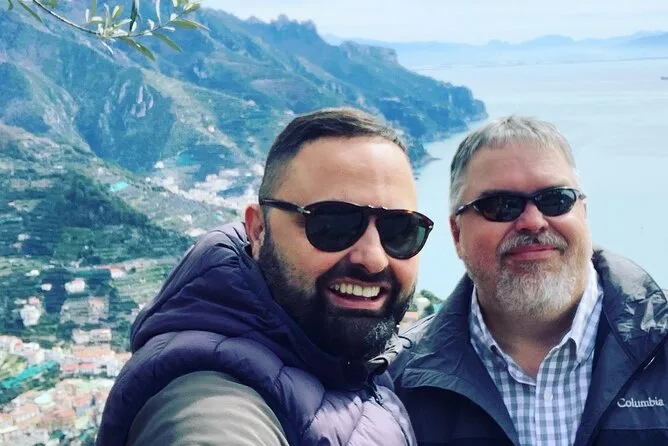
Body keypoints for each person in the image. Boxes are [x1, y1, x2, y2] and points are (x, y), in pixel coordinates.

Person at [96, 107, 434, 445]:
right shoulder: (209, 401)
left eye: (400, 230)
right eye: (332, 225)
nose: (373, 259)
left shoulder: (347, 363)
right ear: (258, 231)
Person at [391, 116, 667, 446]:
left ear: (583, 214)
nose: (533, 222)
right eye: (501, 206)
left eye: (556, 200)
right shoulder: (399, 383)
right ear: (456, 233)